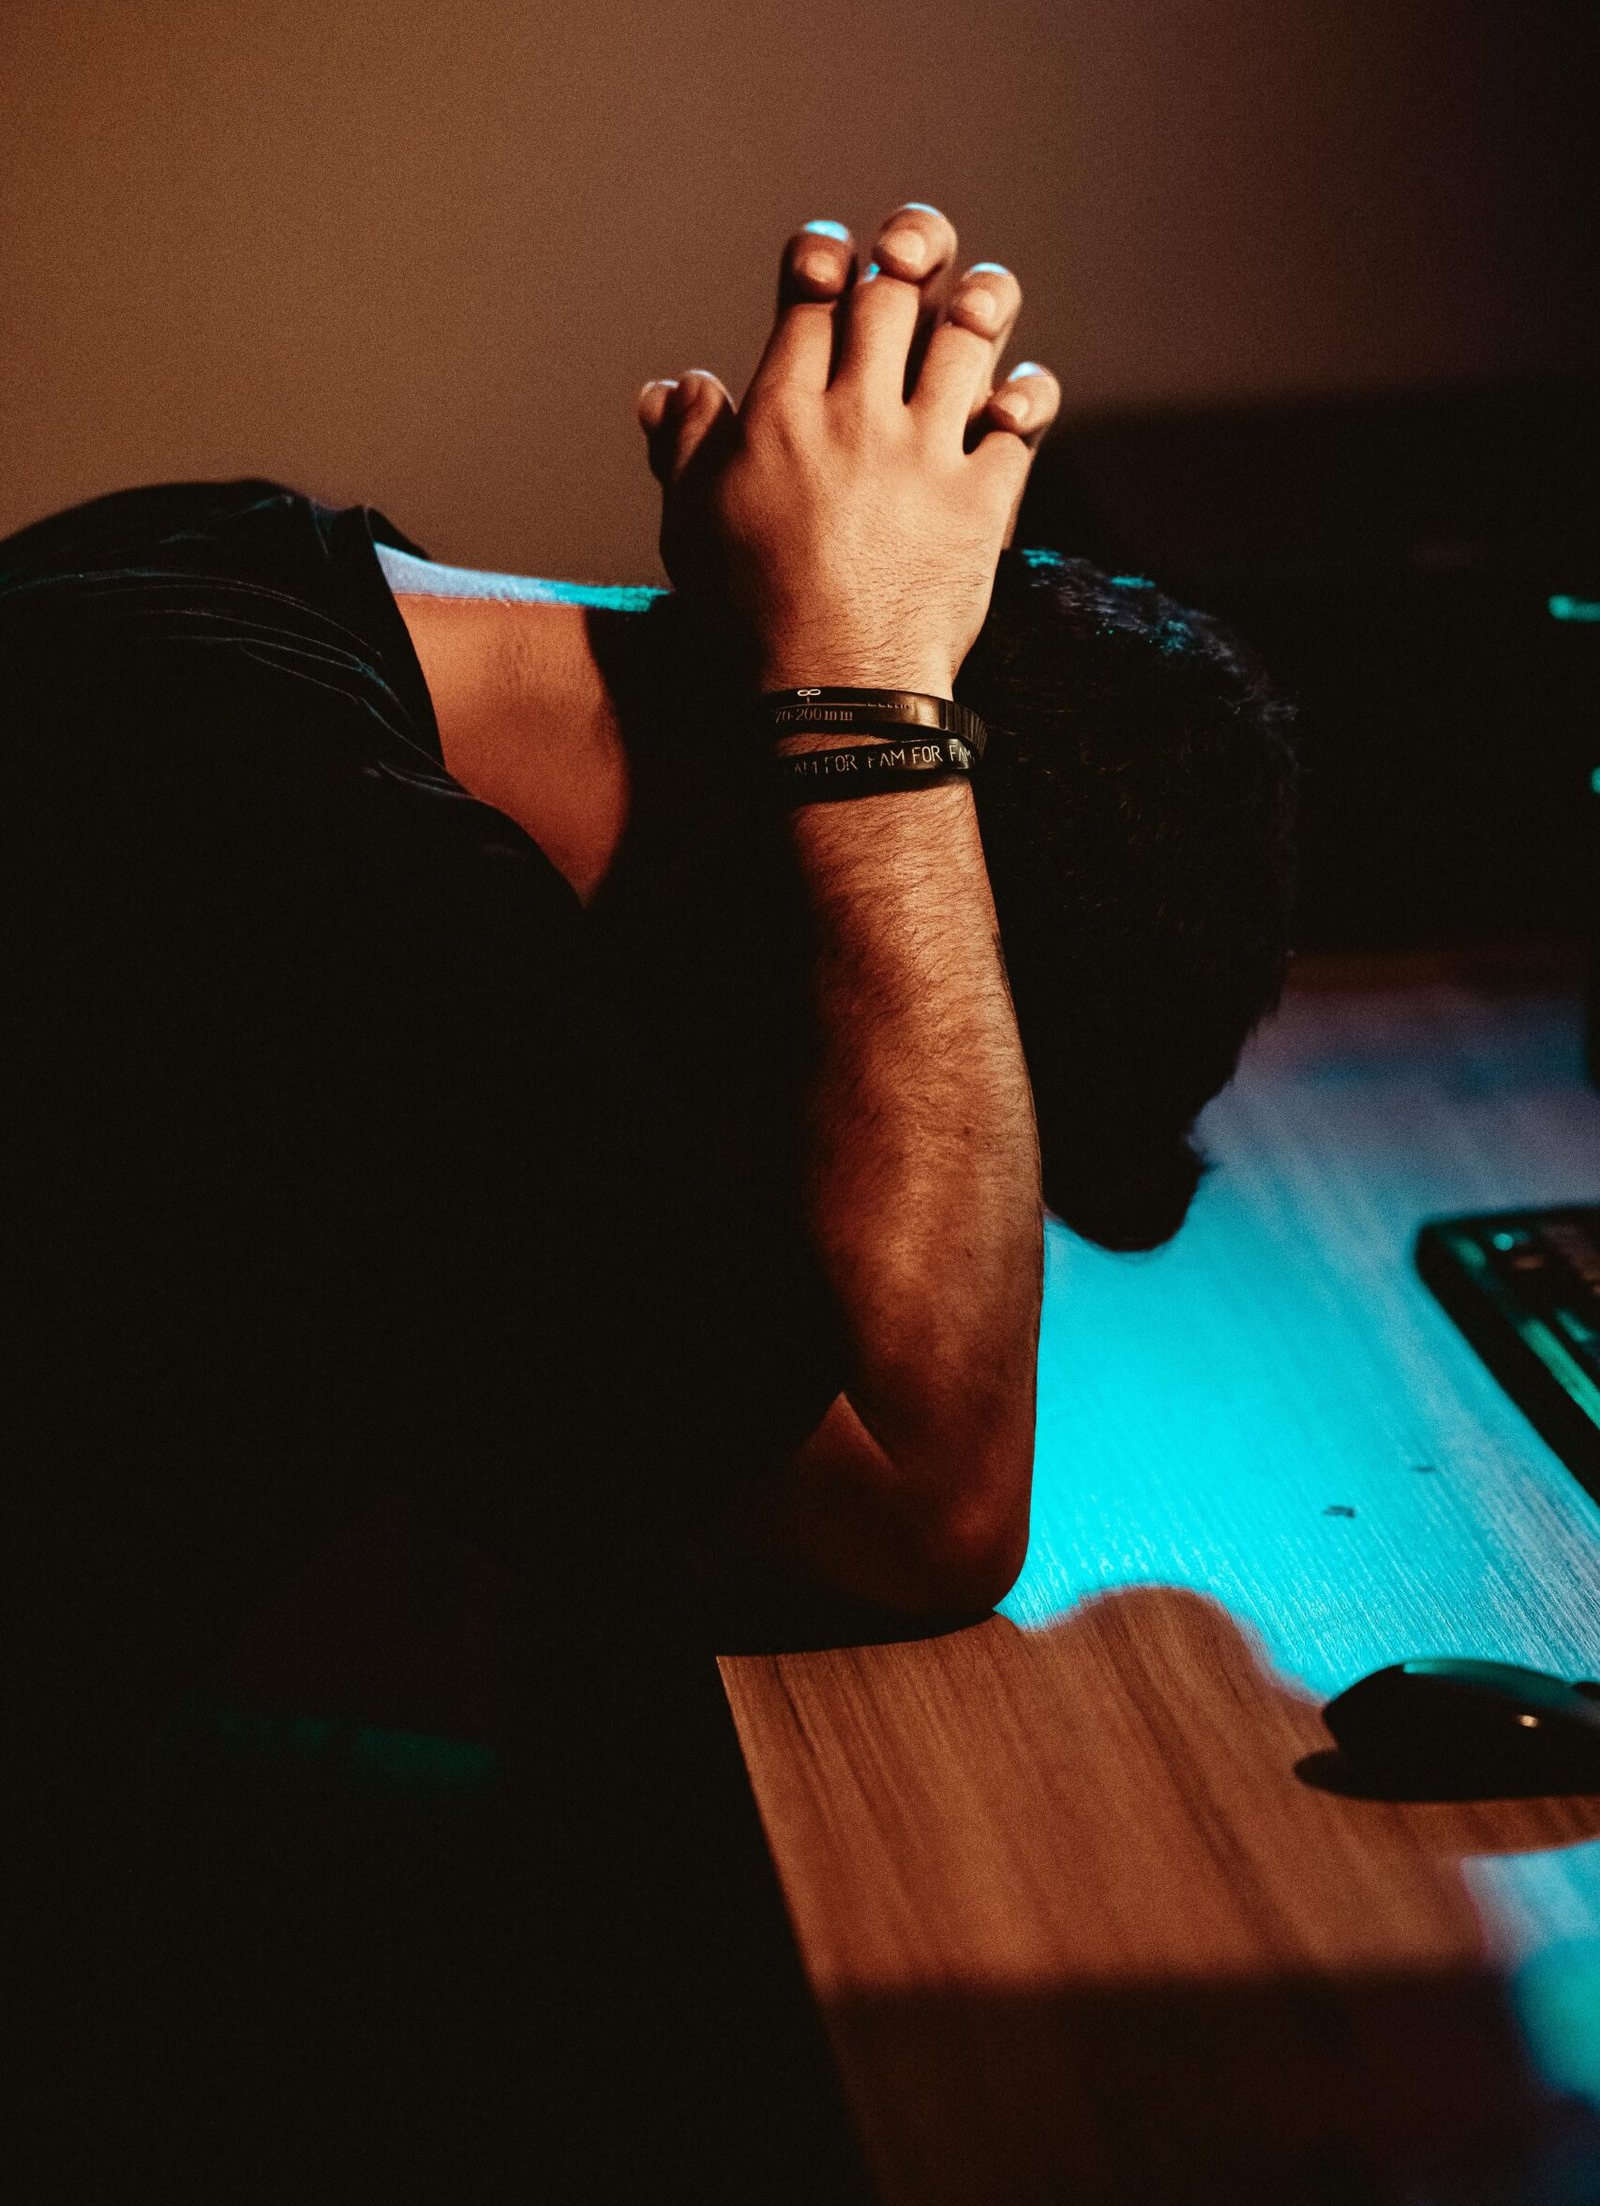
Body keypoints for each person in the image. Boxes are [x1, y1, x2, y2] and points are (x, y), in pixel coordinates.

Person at [3, 202, 1296, 2198]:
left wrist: (810, 665)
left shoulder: (246, 575)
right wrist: (869, 707)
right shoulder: (339, 890)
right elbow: (924, 1499)